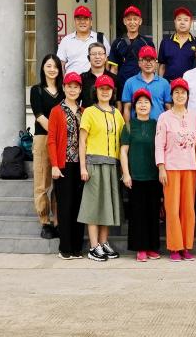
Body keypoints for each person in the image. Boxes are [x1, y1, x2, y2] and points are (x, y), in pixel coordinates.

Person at [77, 75, 125, 262]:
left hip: (112, 165)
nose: (105, 92)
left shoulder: (117, 114)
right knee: (94, 206)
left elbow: (122, 141)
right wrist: (83, 167)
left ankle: (104, 242)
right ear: (95, 91)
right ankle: (93, 246)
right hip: (94, 164)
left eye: (108, 89)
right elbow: (82, 141)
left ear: (113, 92)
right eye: (101, 88)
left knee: (107, 206)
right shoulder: (89, 112)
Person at [155, 79, 196, 261]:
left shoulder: (194, 117)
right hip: (171, 168)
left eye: (183, 92)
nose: (180, 95)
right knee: (172, 208)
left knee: (188, 209)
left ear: (188, 96)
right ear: (171, 95)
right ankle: (175, 247)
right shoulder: (164, 117)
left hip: (190, 168)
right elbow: (159, 144)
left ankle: (186, 246)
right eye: (176, 92)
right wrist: (161, 167)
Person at [120, 88, 162, 262]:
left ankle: (152, 247)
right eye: (139, 102)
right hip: (136, 176)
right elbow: (123, 152)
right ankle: (140, 248)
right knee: (138, 214)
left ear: (151, 106)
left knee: (153, 212)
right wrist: (126, 174)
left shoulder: (157, 125)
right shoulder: (129, 126)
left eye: (146, 102)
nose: (143, 105)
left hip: (154, 176)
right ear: (134, 106)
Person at [47, 71, 84, 259]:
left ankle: (77, 247)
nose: (72, 90)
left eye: (76, 87)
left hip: (80, 165)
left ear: (80, 89)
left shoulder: (83, 111)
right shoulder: (56, 111)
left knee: (78, 206)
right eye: (69, 86)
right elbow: (51, 140)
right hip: (63, 165)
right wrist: (54, 165)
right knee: (65, 206)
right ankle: (65, 247)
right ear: (64, 88)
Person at [30, 53, 64, 240]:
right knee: (42, 182)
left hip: (61, 141)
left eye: (55, 66)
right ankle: (45, 221)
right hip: (43, 138)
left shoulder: (64, 91)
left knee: (59, 184)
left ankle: (58, 221)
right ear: (43, 68)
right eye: (48, 66)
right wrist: (56, 132)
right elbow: (40, 116)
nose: (52, 69)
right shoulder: (37, 90)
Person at [120, 45, 170, 122]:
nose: (148, 63)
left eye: (151, 59)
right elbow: (127, 108)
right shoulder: (130, 82)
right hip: (136, 127)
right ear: (139, 63)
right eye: (145, 59)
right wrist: (128, 127)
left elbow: (168, 108)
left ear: (156, 63)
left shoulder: (164, 83)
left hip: (159, 126)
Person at [107, 5, 154, 87]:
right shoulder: (117, 43)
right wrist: (113, 87)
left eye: (135, 19)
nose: (132, 22)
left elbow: (152, 67)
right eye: (129, 19)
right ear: (124, 21)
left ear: (140, 21)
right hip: (122, 85)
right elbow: (114, 69)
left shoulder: (147, 43)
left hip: (143, 84)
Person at [57, 5, 105, 75]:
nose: (82, 22)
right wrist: (63, 80)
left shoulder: (100, 38)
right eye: (79, 19)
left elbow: (107, 61)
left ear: (91, 22)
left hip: (95, 80)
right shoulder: (66, 40)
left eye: (86, 19)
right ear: (74, 21)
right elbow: (61, 64)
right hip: (72, 81)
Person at [158, 6, 196, 81]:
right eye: (179, 19)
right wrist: (161, 83)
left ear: (190, 22)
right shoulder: (165, 42)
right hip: (169, 84)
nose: (182, 23)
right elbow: (162, 66)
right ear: (175, 21)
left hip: (190, 84)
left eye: (186, 20)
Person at [80, 42, 117, 109]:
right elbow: (76, 102)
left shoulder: (114, 78)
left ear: (105, 57)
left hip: (109, 115)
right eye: (94, 54)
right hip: (86, 115)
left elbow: (118, 102)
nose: (97, 57)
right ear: (88, 58)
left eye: (100, 54)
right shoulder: (82, 78)